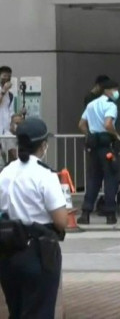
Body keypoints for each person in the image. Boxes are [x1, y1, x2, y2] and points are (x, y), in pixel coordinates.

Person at [0, 117, 68, 318]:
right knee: (39, 311)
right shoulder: (44, 175)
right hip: (38, 251)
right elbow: (61, 221)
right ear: (43, 145)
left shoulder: (5, 173)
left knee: (17, 310)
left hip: (7, 250)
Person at [77, 79, 120, 225]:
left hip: (94, 146)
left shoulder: (91, 104)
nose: (116, 92)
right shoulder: (110, 105)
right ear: (107, 91)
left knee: (93, 180)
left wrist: (89, 135)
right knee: (110, 178)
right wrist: (116, 135)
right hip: (106, 145)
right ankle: (110, 214)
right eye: (115, 89)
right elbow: (108, 124)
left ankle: (86, 212)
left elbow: (81, 124)